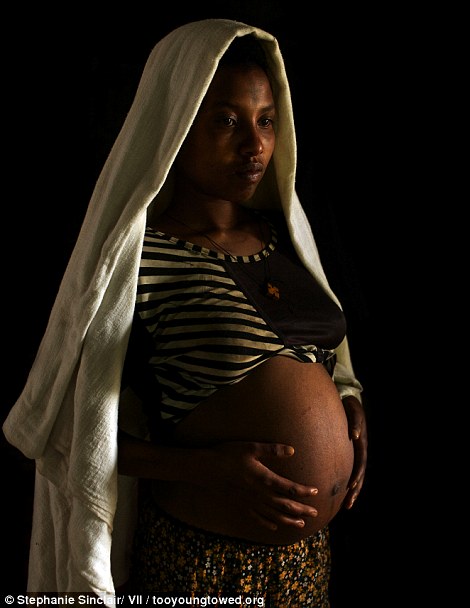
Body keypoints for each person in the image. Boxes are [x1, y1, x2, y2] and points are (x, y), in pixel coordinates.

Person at [2, 18, 367, 605]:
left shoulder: (287, 241)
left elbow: (320, 358)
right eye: (226, 121)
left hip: (304, 565)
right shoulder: (136, 260)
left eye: (266, 121)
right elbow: (70, 433)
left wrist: (348, 402)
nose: (255, 146)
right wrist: (208, 469)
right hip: (202, 561)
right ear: (175, 124)